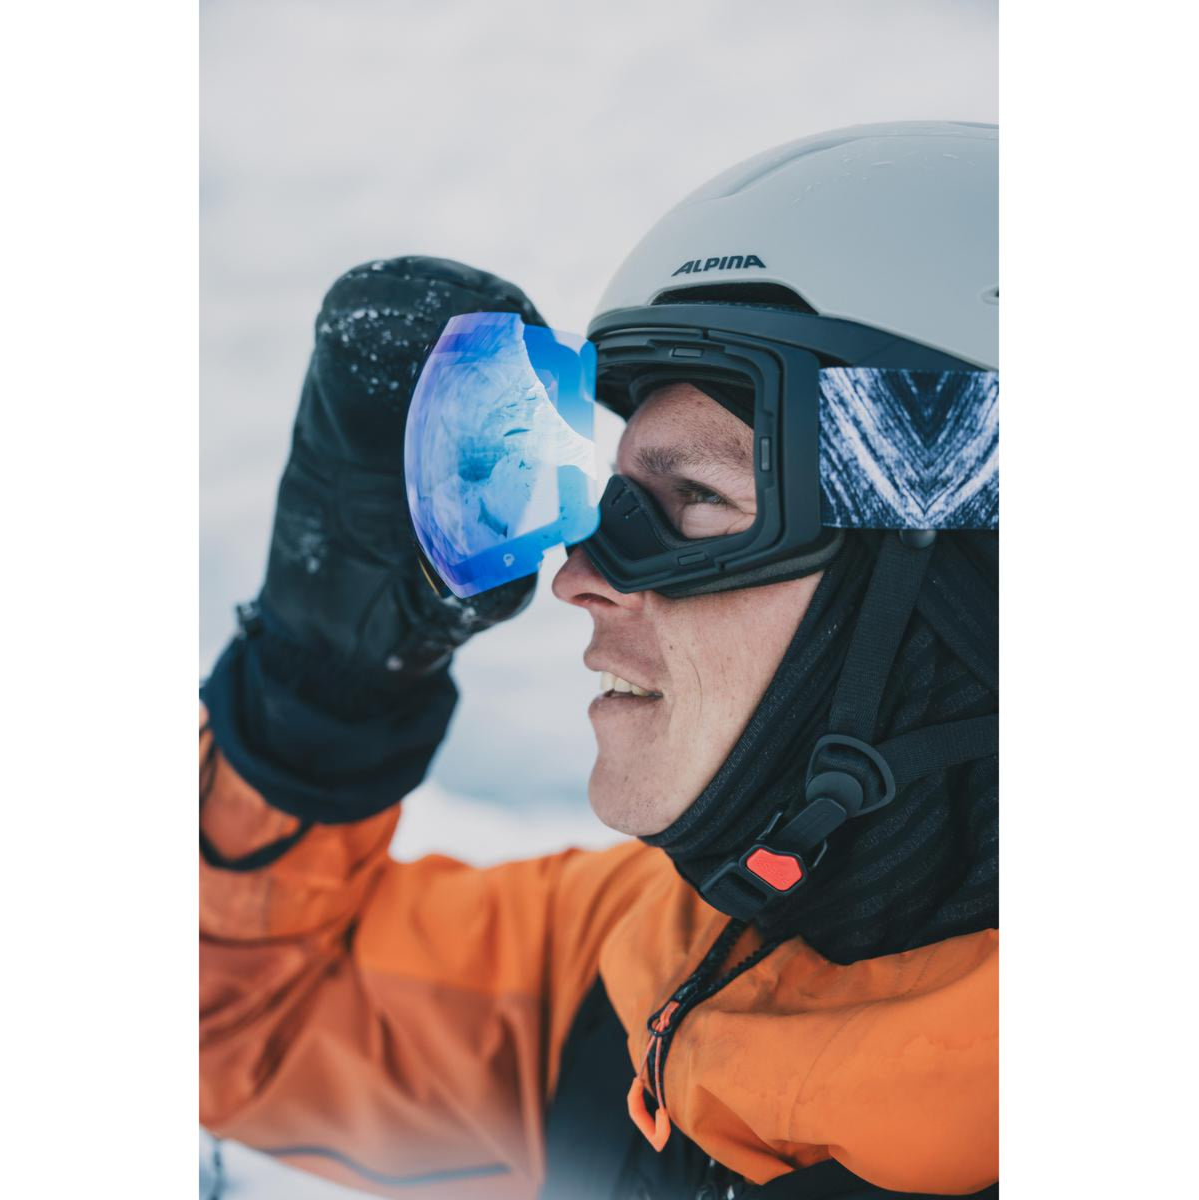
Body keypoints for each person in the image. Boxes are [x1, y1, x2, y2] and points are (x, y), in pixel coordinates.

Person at [200, 121, 999, 1200]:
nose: (582, 577)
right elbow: (243, 1027)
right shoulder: (646, 966)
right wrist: (318, 693)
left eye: (700, 503)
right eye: (614, 500)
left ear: (964, 594)